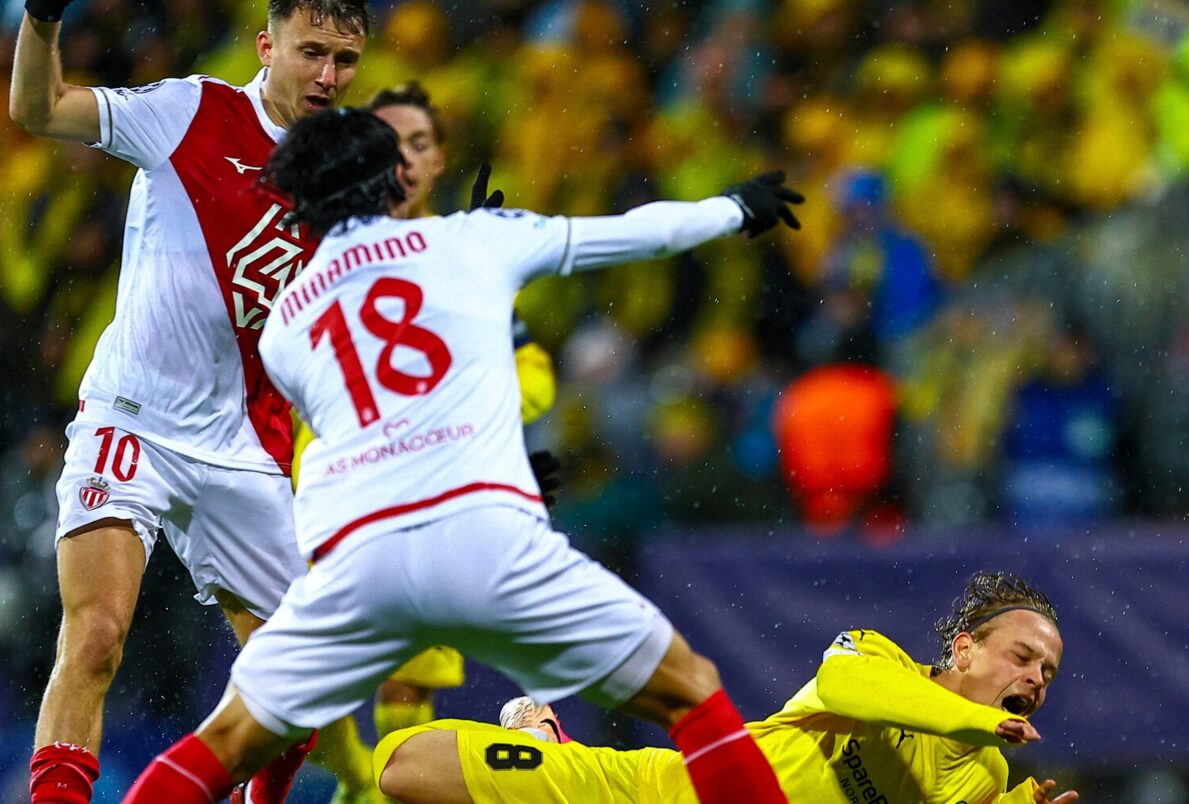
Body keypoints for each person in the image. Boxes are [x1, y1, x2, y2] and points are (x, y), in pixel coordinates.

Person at [120, 106, 802, 803]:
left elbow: (371, 421)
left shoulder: (285, 324)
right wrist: (732, 209)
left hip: (360, 559)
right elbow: (629, 236)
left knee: (228, 743)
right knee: (691, 693)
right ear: (395, 181)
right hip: (485, 536)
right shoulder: (471, 239)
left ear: (294, 202)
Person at [8, 1, 378, 801]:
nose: (327, 77)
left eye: (345, 61)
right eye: (311, 52)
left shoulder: (348, 181)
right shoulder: (192, 111)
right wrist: (42, 19)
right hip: (133, 421)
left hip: (243, 446)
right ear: (266, 45)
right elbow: (38, 109)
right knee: (97, 637)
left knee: (302, 680)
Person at [303, 81, 562, 804]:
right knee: (290, 683)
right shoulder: (312, 239)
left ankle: (371, 790)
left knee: (405, 675)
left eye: (417, 145)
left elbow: (529, 371)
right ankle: (359, 779)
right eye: (386, 145)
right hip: (312, 479)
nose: (403, 161)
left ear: (440, 159)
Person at [373, 571, 1078, 804]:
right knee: (405, 770)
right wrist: (977, 724)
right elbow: (845, 685)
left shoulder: (984, 777)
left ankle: (545, 735)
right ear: (963, 647)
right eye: (1022, 655)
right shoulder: (877, 659)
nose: (1034, 678)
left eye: (1046, 672)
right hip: (668, 794)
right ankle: (546, 742)